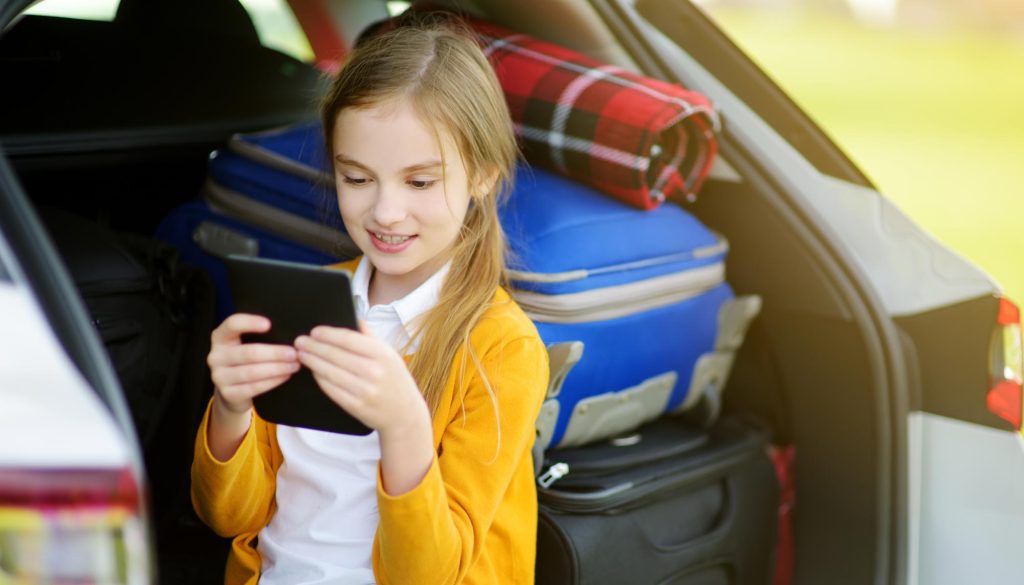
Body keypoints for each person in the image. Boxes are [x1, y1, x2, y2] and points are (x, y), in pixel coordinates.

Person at [190, 20, 549, 585]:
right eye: (357, 178)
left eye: (420, 183)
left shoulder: (501, 348)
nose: (385, 212)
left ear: (482, 175)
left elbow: (430, 574)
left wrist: (403, 423)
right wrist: (230, 409)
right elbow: (229, 516)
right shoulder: (308, 300)